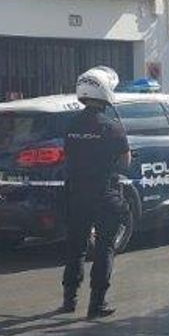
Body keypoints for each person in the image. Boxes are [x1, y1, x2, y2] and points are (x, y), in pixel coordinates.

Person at [60, 66, 131, 318]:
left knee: (75, 247)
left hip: (76, 194)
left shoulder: (71, 125)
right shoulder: (112, 127)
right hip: (104, 194)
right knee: (104, 248)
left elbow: (68, 156)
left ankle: (69, 300)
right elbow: (125, 163)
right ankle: (97, 303)